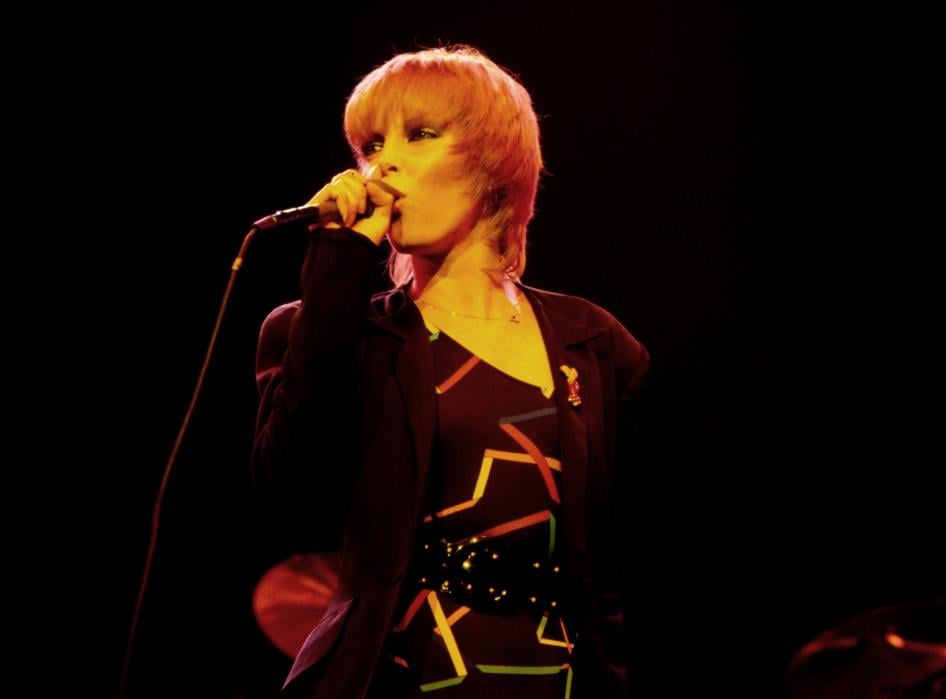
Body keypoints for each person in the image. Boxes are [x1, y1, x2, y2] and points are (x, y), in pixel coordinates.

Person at [252, 45, 650, 698]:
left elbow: (618, 562)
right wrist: (336, 267)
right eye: (372, 144)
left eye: (421, 134)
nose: (385, 163)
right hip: (403, 670)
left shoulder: (594, 343)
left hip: (554, 674)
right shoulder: (329, 333)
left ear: (495, 160)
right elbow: (287, 497)